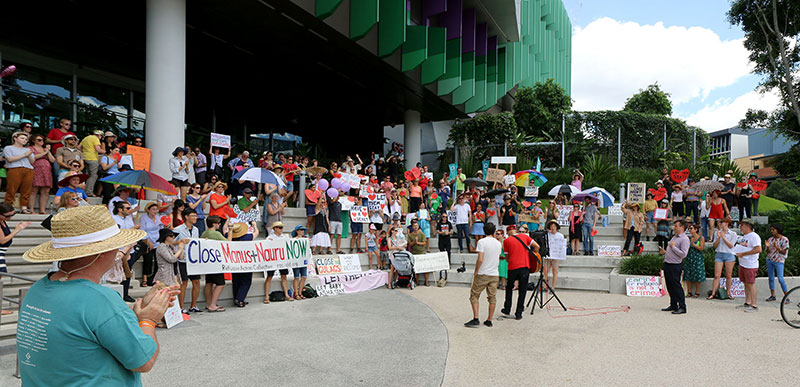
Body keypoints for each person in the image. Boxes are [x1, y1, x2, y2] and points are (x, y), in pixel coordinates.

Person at [17, 205, 175, 385]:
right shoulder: (100, 299)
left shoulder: (37, 289)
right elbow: (144, 361)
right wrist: (149, 320)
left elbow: (80, 327)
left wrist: (134, 313)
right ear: (101, 252)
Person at [465, 222, 501, 328]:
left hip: (483, 272)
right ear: (494, 231)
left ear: (484, 231)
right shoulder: (498, 243)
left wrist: (476, 270)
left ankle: (476, 318)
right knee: (492, 297)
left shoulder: (482, 242)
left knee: (474, 295)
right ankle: (489, 320)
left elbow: (480, 259)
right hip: (494, 273)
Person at [501, 225, 538, 320]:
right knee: (523, 290)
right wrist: (534, 255)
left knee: (509, 288)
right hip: (525, 266)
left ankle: (507, 308)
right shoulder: (525, 236)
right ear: (516, 230)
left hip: (513, 267)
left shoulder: (506, 241)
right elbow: (537, 246)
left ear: (508, 232)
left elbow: (507, 257)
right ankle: (519, 313)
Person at [0, 203, 31, 313]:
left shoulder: (3, 221)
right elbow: (2, 240)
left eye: (13, 214)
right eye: (8, 216)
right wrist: (17, 229)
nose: (11, 217)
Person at [173, 208, 202, 313]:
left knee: (196, 282)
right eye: (193, 216)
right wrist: (180, 242)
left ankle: (193, 305)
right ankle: (181, 307)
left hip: (193, 260)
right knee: (183, 283)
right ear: (186, 217)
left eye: (195, 216)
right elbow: (171, 243)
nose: (195, 218)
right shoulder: (177, 229)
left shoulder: (196, 230)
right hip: (182, 260)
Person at [201, 215, 231, 312]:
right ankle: (213, 304)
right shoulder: (216, 234)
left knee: (209, 283)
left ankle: (209, 303)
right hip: (216, 261)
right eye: (218, 223)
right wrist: (230, 231)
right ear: (214, 224)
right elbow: (228, 243)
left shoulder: (204, 233)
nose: (220, 225)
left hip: (207, 262)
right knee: (220, 283)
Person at [660, 220, 690, 314]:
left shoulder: (684, 239)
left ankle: (682, 307)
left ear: (682, 227)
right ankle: (673, 304)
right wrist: (665, 252)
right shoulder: (674, 237)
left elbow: (683, 254)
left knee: (676, 286)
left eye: (676, 226)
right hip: (668, 263)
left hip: (675, 265)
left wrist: (673, 247)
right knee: (670, 285)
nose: (674, 227)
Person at [4, 132, 35, 213]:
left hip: (28, 169)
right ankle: (7, 207)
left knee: (26, 189)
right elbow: (9, 159)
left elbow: (32, 161)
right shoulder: (8, 148)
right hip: (14, 168)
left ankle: (24, 207)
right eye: (22, 138)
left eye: (25, 139)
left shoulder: (28, 149)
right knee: (11, 188)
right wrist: (24, 155)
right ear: (15, 138)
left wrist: (28, 154)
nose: (24, 140)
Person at [707, 218, 738, 300]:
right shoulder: (717, 233)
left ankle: (728, 292)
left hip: (729, 255)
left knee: (728, 275)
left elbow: (731, 245)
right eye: (720, 222)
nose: (720, 224)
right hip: (719, 254)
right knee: (717, 275)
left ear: (727, 223)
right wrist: (718, 238)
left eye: (722, 222)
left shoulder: (733, 233)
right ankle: (713, 293)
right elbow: (714, 245)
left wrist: (723, 237)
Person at [735, 220, 762, 312]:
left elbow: (758, 249)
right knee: (745, 283)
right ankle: (747, 302)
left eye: (742, 225)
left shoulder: (754, 236)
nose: (740, 227)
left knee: (750, 283)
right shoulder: (744, 237)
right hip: (743, 263)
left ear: (748, 226)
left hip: (750, 264)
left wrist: (744, 254)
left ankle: (754, 304)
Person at [231, 221, 259, 307]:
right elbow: (256, 233)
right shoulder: (247, 237)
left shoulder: (230, 237)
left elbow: (224, 230)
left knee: (236, 281)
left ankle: (237, 298)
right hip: (245, 262)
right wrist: (254, 225)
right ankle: (240, 299)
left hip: (234, 262)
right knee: (246, 281)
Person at [265, 221, 292, 303]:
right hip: (273, 260)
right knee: (269, 277)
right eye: (280, 227)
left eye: (282, 227)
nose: (281, 229)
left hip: (282, 259)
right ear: (275, 228)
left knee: (284, 276)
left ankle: (287, 294)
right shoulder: (270, 238)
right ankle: (266, 296)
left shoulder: (285, 237)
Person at [138, 202, 164, 287]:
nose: (155, 211)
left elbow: (161, 229)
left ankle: (154, 278)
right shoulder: (143, 218)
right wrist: (148, 241)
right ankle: (145, 278)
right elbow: (142, 230)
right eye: (153, 209)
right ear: (148, 210)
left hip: (157, 241)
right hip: (148, 240)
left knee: (158, 261)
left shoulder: (158, 218)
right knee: (148, 260)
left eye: (156, 209)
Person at [28, 134, 55, 214]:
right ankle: (31, 209)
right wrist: (45, 152)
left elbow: (52, 160)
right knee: (34, 189)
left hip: (46, 171)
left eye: (43, 140)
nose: (42, 142)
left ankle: (42, 209)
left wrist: (48, 151)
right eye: (39, 140)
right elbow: (34, 157)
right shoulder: (30, 148)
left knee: (46, 190)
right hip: (36, 169)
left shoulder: (45, 149)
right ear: (33, 140)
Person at [765, 223, 790, 303]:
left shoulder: (784, 239)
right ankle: (772, 295)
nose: (771, 231)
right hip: (770, 260)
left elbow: (784, 252)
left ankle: (787, 297)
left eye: (773, 229)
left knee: (780, 279)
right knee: (771, 278)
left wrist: (777, 247)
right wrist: (768, 247)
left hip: (779, 261)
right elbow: (768, 252)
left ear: (778, 230)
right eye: (771, 229)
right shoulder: (770, 239)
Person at [683, 223, 706, 299]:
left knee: (698, 274)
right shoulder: (688, 238)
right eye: (689, 228)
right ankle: (689, 292)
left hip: (697, 257)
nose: (690, 230)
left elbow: (701, 248)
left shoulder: (701, 238)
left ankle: (697, 292)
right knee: (688, 273)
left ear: (696, 230)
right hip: (690, 257)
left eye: (691, 228)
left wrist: (693, 244)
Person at [80, 130, 105, 197]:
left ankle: (84, 190)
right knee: (94, 175)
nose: (101, 138)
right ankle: (88, 192)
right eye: (101, 136)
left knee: (87, 175)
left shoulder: (85, 138)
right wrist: (105, 152)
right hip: (92, 158)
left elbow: (79, 147)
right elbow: (98, 149)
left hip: (84, 157)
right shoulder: (95, 139)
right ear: (99, 135)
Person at [545, 220, 567, 289]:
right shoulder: (547, 235)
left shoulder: (560, 236)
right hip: (548, 255)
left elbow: (562, 245)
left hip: (556, 255)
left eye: (554, 226)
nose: (552, 228)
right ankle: (544, 285)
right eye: (551, 226)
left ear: (556, 227)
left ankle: (553, 287)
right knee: (545, 270)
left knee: (555, 270)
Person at [291, 225, 309, 300]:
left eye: (303, 230)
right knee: (296, 277)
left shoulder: (305, 239)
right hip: (297, 260)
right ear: (297, 231)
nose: (302, 231)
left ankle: (300, 292)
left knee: (304, 277)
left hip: (303, 260)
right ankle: (296, 293)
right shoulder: (293, 239)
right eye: (301, 230)